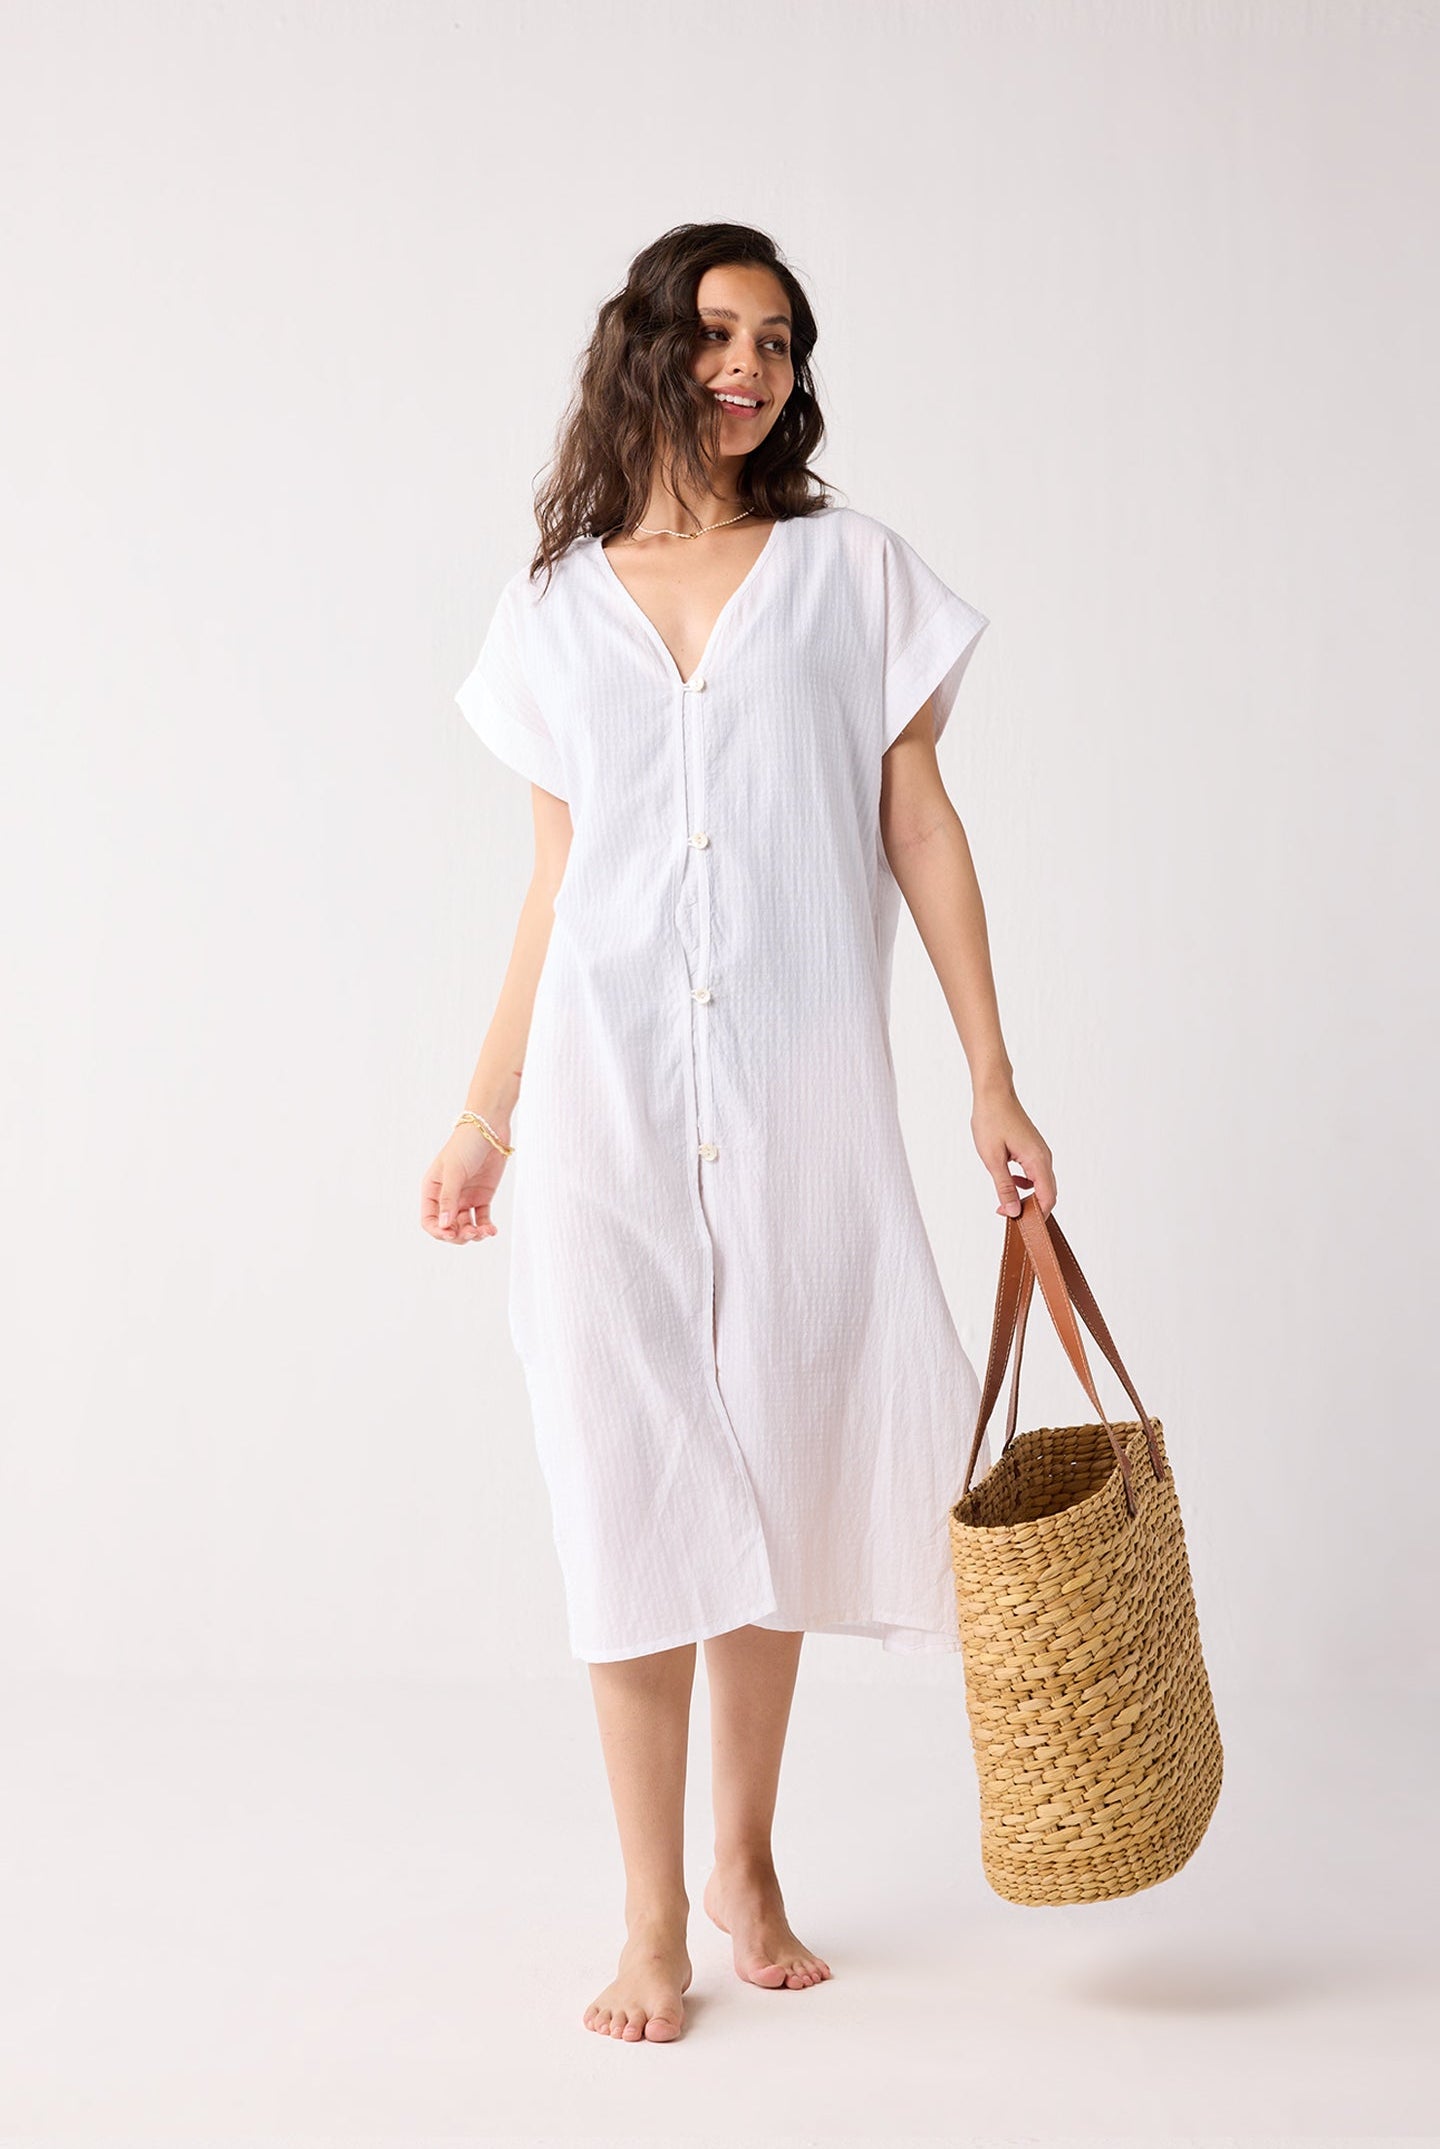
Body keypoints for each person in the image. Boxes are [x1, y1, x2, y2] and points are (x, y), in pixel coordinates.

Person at [420, 222, 1056, 2043]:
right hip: (608, 1115)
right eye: (717, 334)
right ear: (647, 350)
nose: (751, 367)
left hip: (796, 1103)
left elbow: (919, 824)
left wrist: (988, 1072)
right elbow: (558, 887)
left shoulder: (851, 574)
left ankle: (745, 1863)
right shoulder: (549, 610)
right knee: (629, 1490)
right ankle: (648, 1919)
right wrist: (485, 1113)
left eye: (778, 340)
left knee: (771, 1467)